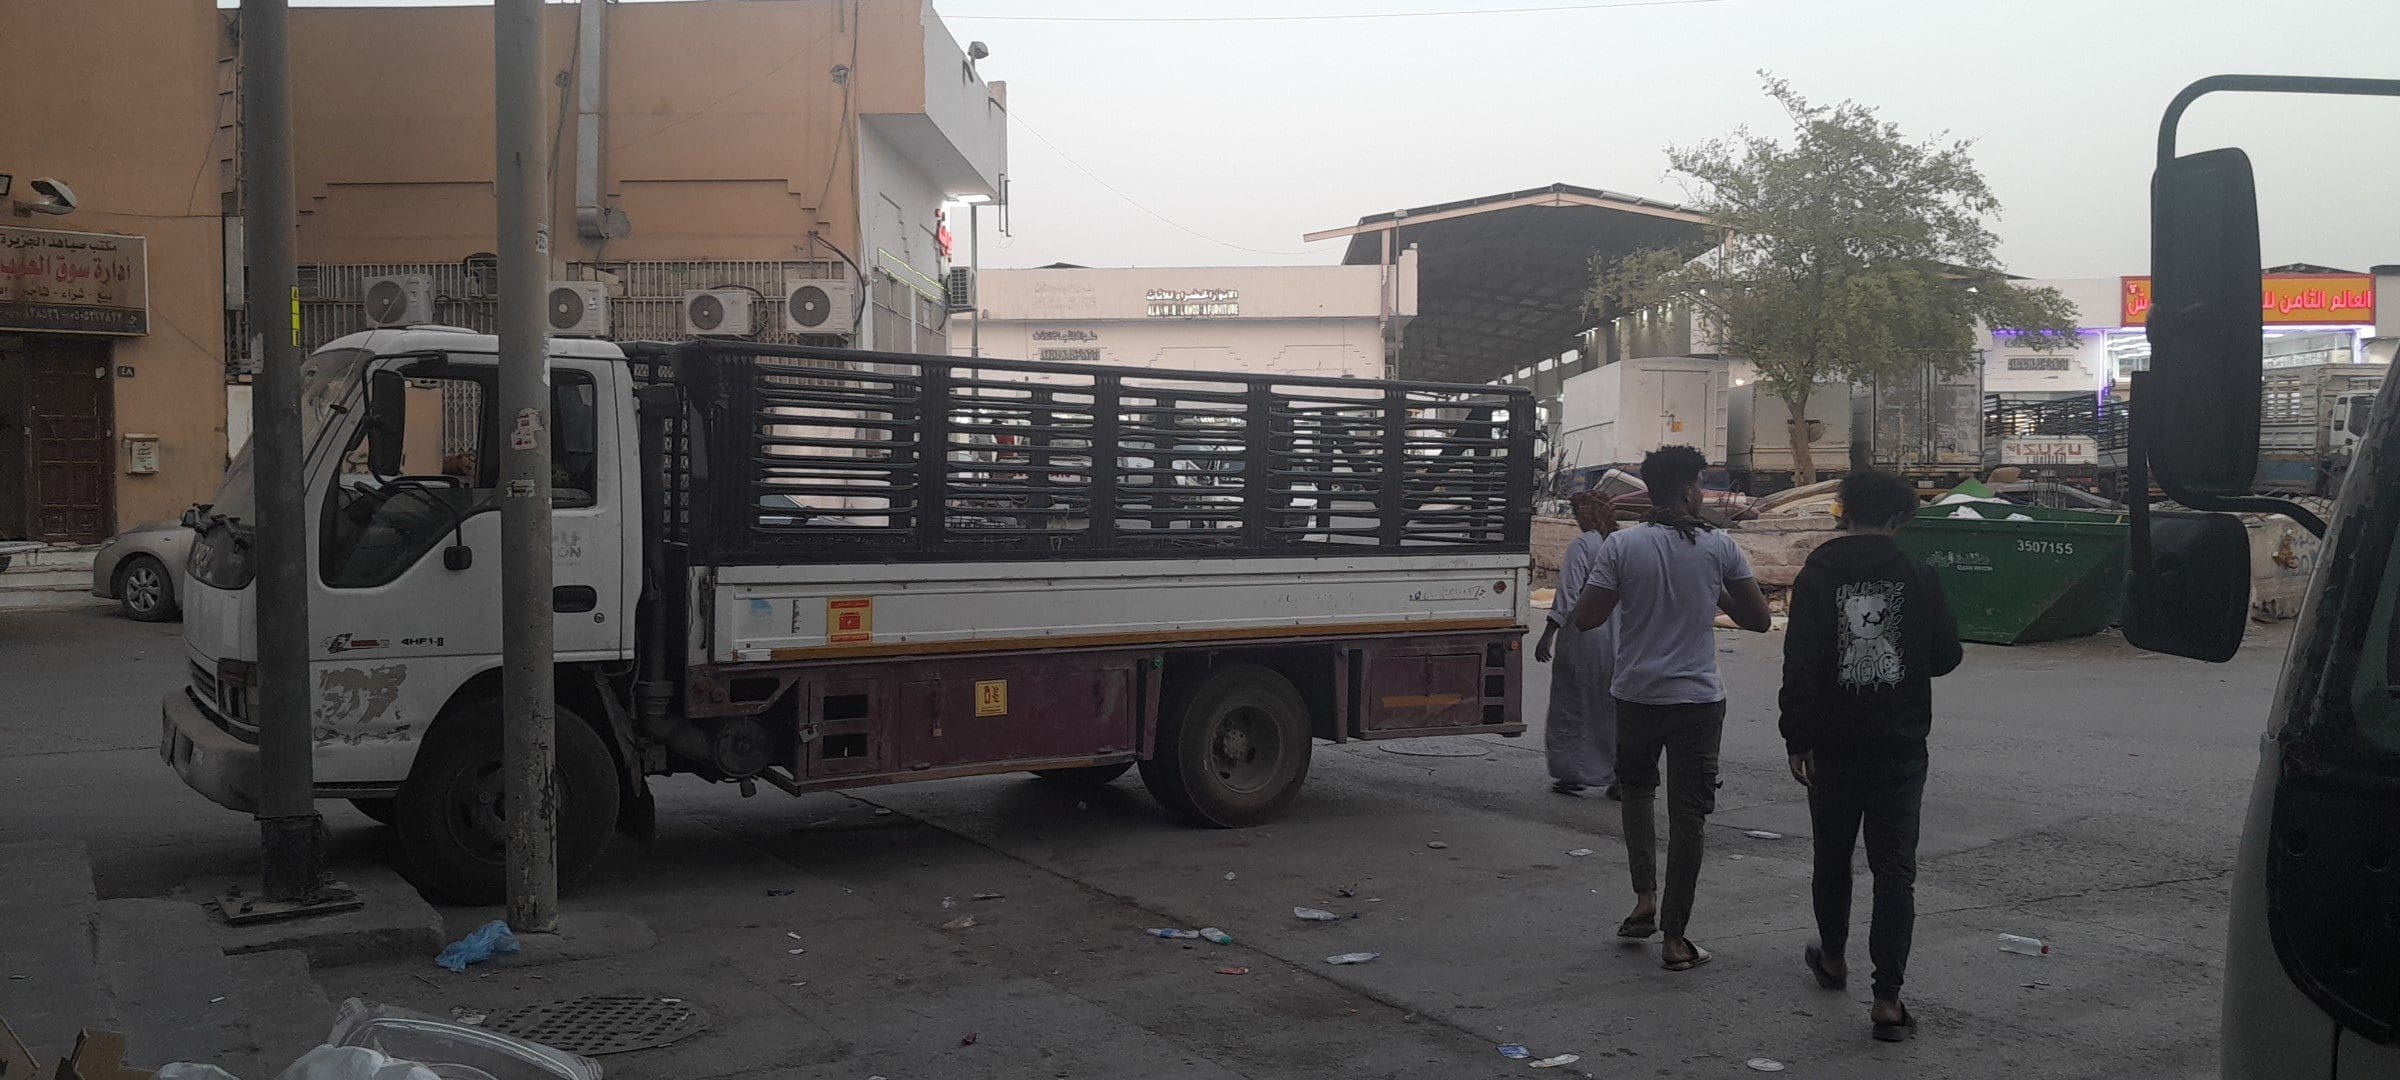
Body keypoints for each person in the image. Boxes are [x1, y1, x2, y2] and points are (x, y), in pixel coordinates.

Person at [1779, 469, 1962, 1042]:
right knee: (1894, 870)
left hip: (1832, 746)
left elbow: (1799, 663)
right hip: (1899, 746)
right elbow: (1946, 656)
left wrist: (1797, 737)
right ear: (1901, 518)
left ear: (1845, 511)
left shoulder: (1816, 574)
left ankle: (1833, 958)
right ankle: (1887, 999)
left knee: (1832, 856)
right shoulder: (1918, 575)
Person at [1573, 446, 1772, 971]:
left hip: (1636, 694)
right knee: (1689, 818)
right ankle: (1675, 938)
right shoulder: (1719, 546)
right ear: (1689, 490)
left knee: (1637, 796)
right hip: (1697, 701)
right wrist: (1713, 591)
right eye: (1700, 485)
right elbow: (1759, 621)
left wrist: (1626, 587)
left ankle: (1644, 897)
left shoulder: (1623, 546)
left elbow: (1588, 618)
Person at [1533, 491, 1620, 797]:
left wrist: (1548, 633)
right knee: (1609, 706)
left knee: (1574, 703)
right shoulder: (1619, 543)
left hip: (1583, 637)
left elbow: (1568, 593)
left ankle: (1573, 771)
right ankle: (1617, 772)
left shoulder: (1583, 545)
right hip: (1616, 637)